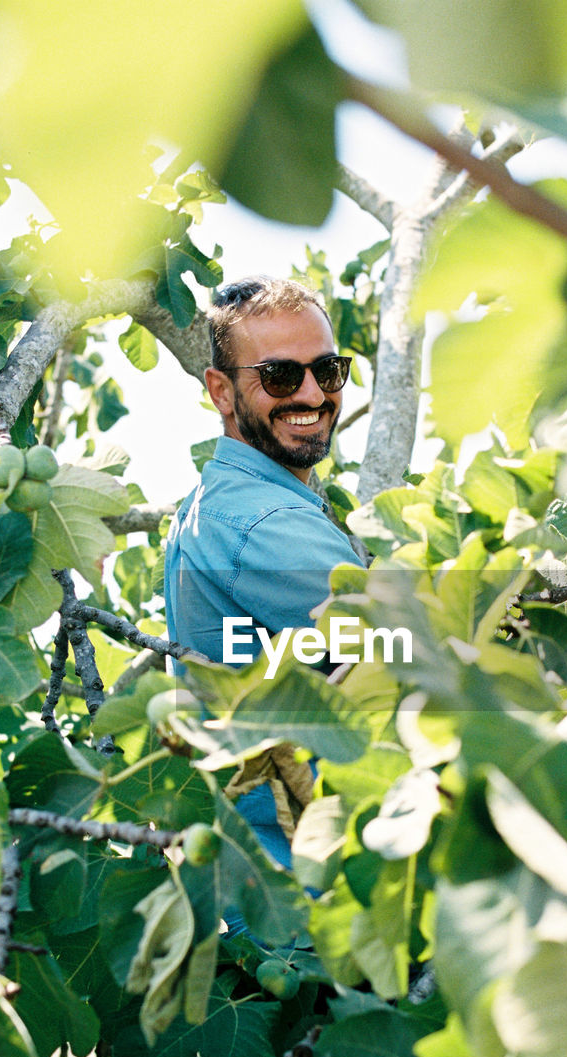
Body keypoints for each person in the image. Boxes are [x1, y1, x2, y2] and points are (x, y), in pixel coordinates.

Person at [164, 276, 364, 876]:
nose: (311, 393)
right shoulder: (257, 518)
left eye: (326, 371)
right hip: (318, 903)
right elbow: (412, 637)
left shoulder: (230, 504)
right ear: (221, 393)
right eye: (280, 376)